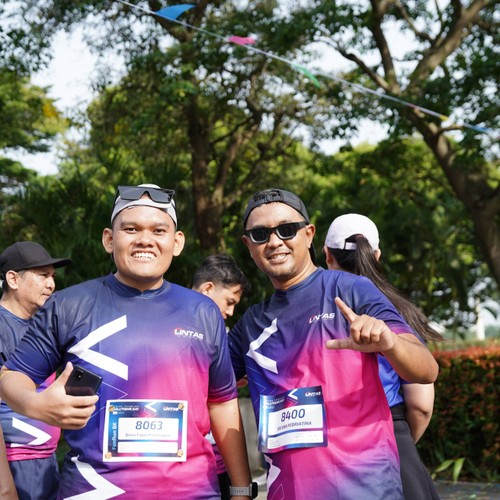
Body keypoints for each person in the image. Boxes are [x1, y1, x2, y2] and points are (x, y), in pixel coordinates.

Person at [0, 184, 253, 499]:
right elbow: (10, 376)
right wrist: (34, 404)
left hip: (192, 492)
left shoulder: (203, 311)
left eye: (158, 230)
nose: (145, 239)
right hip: (92, 491)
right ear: (109, 239)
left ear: (177, 242)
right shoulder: (67, 306)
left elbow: (222, 403)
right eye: (131, 229)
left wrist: (241, 488)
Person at [228, 188, 439, 499]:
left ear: (309, 234)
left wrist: (390, 343)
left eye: (287, 230)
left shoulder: (352, 290)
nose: (274, 242)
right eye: (260, 234)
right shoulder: (251, 324)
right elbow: (205, 388)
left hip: (368, 490)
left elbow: (426, 369)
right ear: (248, 245)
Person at [324, 213, 441, 499]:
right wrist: (397, 442)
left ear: (327, 255)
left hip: (325, 450)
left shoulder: (312, 310)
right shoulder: (398, 311)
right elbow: (421, 405)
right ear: (376, 255)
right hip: (388, 439)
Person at [0, 241, 72, 500]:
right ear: (13, 279)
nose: (51, 284)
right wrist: (5, 487)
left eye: (52, 276)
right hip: (14, 465)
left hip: (46, 464)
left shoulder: (43, 327)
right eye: (43, 275)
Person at [192, 254, 251, 499]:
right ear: (207, 289)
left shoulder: (225, 337)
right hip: (183, 467)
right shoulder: (162, 331)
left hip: (221, 464)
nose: (230, 311)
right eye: (229, 301)